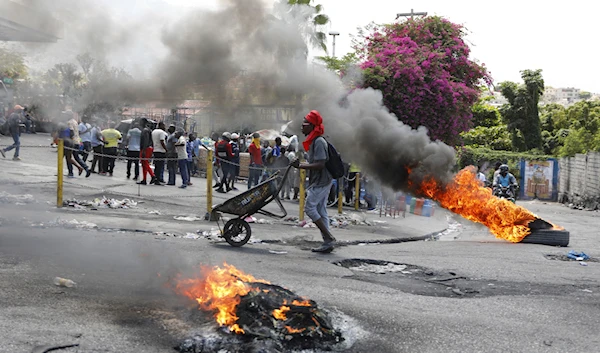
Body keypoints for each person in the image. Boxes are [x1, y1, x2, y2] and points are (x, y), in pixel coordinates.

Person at [291, 110, 336, 253]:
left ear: (312, 126)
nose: (301, 127)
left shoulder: (319, 142)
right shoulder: (314, 141)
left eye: (304, 124)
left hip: (322, 181)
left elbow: (320, 164)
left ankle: (329, 238)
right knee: (321, 211)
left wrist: (301, 166)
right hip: (319, 180)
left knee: (310, 208)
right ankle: (327, 242)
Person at [138, 118, 159, 185]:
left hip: (146, 148)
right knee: (144, 164)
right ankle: (144, 179)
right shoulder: (147, 130)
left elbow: (146, 141)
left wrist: (144, 150)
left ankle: (153, 176)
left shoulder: (145, 130)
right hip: (147, 148)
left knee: (145, 163)